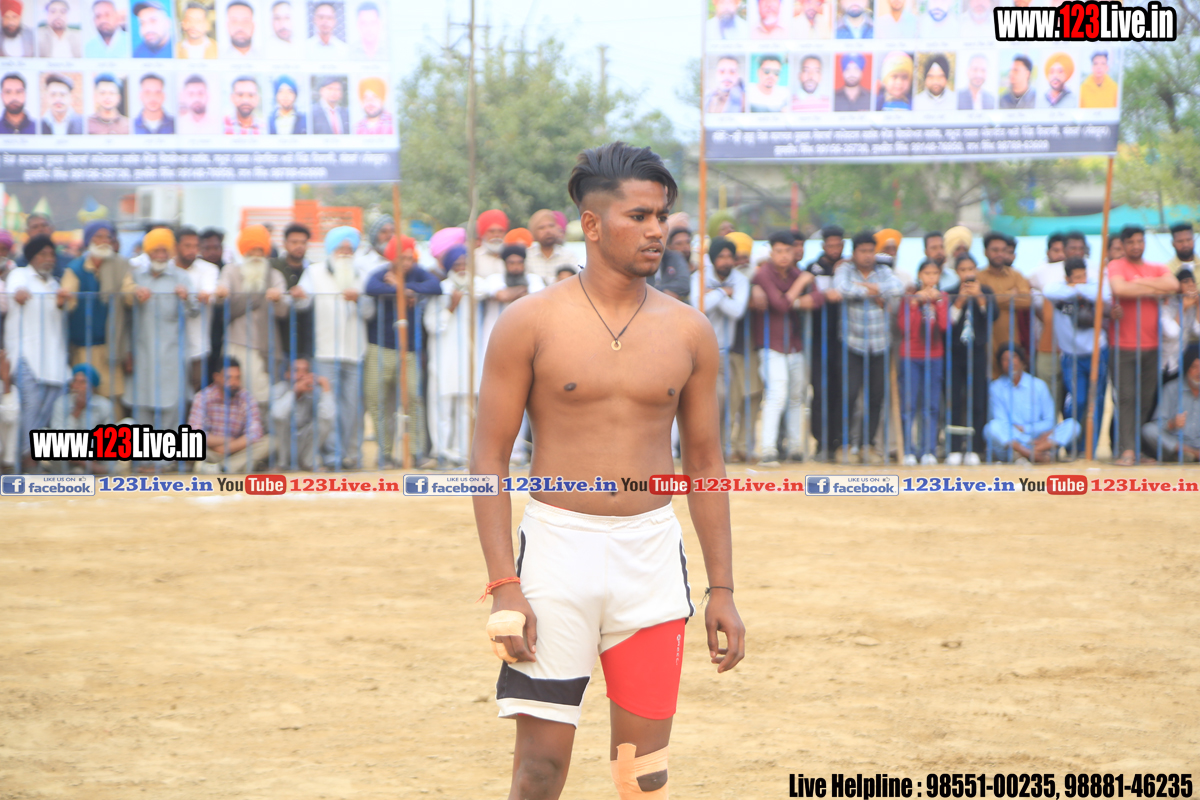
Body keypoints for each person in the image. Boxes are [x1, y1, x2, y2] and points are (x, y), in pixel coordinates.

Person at [470, 141, 744, 800]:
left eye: (662, 217)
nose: (656, 231)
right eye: (639, 216)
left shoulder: (689, 331)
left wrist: (723, 589)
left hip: (650, 558)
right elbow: (488, 458)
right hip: (555, 554)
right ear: (592, 225)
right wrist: (504, 584)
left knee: (644, 777)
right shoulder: (529, 322)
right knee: (539, 771)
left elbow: (705, 463)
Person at [293, 225, 371, 470]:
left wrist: (359, 300)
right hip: (325, 350)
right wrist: (298, 295)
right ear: (331, 249)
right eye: (341, 248)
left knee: (352, 407)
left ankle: (349, 453)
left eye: (350, 248)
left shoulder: (362, 274)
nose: (346, 252)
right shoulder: (314, 272)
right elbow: (302, 305)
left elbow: (370, 312)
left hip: (354, 351)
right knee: (328, 405)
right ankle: (332, 455)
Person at [362, 236, 441, 467]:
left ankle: (417, 453)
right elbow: (370, 288)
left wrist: (402, 288)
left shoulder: (418, 273)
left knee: (413, 399)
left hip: (410, 349)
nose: (407, 262)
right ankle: (385, 454)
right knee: (378, 400)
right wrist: (400, 291)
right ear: (391, 257)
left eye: (409, 258)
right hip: (380, 347)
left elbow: (435, 286)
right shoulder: (380, 273)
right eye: (402, 258)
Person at [1107, 225, 1179, 464]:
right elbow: (1119, 288)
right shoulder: (1116, 265)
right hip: (1122, 345)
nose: (1136, 246)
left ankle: (1137, 448)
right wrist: (1153, 287)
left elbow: (1173, 285)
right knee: (1126, 397)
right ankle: (1126, 449)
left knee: (1146, 399)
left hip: (1152, 344)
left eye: (1140, 241)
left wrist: (1137, 284)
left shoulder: (1157, 267)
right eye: (1131, 242)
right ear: (1123, 244)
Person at [834, 231, 905, 464]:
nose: (867, 255)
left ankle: (868, 445)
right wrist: (873, 291)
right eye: (862, 251)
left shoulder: (883, 270)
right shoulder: (845, 269)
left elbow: (897, 288)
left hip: (880, 344)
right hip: (852, 343)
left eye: (870, 251)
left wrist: (863, 288)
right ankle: (844, 444)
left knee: (876, 397)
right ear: (854, 252)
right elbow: (842, 288)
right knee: (849, 395)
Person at [122, 227, 199, 428]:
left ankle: (168, 447)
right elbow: (126, 314)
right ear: (148, 253)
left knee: (171, 404)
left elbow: (195, 310)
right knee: (142, 404)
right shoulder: (137, 277)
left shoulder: (181, 277)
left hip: (171, 354)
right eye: (156, 251)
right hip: (142, 352)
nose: (160, 255)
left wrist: (186, 297)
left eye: (164, 251)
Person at [5, 235, 70, 471]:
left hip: (53, 356)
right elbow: (15, 293)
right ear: (32, 256)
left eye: (51, 254)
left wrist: (61, 303)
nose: (48, 259)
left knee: (48, 406)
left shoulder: (54, 284)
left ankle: (29, 452)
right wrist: (19, 295)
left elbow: (58, 314)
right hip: (26, 353)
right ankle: (25, 457)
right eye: (43, 254)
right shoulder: (19, 275)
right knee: (30, 404)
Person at [751, 232, 814, 465]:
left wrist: (794, 298)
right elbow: (779, 305)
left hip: (794, 345)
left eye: (788, 250)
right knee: (777, 394)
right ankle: (767, 449)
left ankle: (796, 448)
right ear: (771, 252)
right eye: (779, 251)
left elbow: (817, 298)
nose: (784, 255)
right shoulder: (764, 273)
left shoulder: (795, 273)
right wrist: (800, 287)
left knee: (797, 396)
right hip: (771, 344)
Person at [214, 224, 288, 417]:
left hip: (264, 345)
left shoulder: (274, 276)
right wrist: (221, 293)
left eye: (260, 250)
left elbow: (283, 311)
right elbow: (220, 295)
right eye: (251, 250)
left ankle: (258, 433)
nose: (256, 255)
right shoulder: (231, 271)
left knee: (261, 397)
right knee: (233, 394)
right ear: (244, 251)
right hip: (236, 342)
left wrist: (277, 298)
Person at [1043, 257, 1109, 454]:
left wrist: (1078, 288)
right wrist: (1079, 290)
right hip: (1071, 357)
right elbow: (1048, 291)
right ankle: (1072, 447)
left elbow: (1105, 293)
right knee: (1077, 401)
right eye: (1076, 277)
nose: (1081, 280)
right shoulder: (1058, 289)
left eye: (1083, 276)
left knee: (1096, 401)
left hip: (1097, 353)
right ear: (1067, 278)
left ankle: (1090, 449)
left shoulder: (1094, 285)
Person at [60, 220, 130, 405]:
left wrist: (137, 292)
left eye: (108, 237)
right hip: (83, 346)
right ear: (89, 240)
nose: (104, 241)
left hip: (111, 346)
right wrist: (63, 299)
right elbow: (68, 301)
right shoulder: (76, 268)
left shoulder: (120, 266)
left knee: (112, 399)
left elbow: (129, 292)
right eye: (99, 236)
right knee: (83, 397)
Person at [692, 237, 750, 454]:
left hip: (723, 351)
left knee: (723, 399)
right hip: (699, 350)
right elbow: (698, 307)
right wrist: (723, 292)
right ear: (713, 258)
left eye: (729, 257)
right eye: (721, 256)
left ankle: (718, 447)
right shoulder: (699, 277)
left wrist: (714, 295)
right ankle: (697, 446)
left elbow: (737, 311)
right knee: (698, 401)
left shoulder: (740, 280)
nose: (726, 261)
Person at [423, 245, 478, 466]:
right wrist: (450, 307)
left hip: (468, 357)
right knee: (442, 406)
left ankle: (462, 453)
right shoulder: (441, 290)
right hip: (443, 357)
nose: (462, 268)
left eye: (465, 264)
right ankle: (441, 452)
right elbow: (431, 325)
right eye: (457, 265)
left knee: (465, 408)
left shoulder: (476, 288)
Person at [985, 343, 1080, 463]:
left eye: (1014, 357)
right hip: (1014, 440)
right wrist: (1024, 438)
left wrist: (1026, 430)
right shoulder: (995, 388)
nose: (1010, 362)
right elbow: (1001, 422)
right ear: (1000, 364)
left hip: (1041, 439)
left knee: (1073, 425)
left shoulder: (1038, 385)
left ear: (1022, 361)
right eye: (1005, 359)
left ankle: (1029, 453)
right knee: (991, 427)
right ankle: (1033, 454)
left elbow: (1050, 421)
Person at [899, 259, 948, 465]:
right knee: (909, 405)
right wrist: (914, 304)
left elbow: (944, 326)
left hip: (934, 356)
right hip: (911, 356)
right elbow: (904, 327)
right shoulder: (910, 296)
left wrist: (939, 303)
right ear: (920, 275)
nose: (931, 278)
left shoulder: (943, 297)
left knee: (931, 405)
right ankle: (908, 450)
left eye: (934, 274)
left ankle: (928, 449)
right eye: (927, 273)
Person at [803, 226, 847, 461]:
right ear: (823, 246)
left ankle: (837, 441)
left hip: (843, 339)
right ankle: (821, 442)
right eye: (830, 245)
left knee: (840, 391)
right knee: (820, 391)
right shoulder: (813, 268)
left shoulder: (848, 267)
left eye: (838, 245)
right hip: (818, 338)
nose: (834, 249)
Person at [946, 255, 992, 464]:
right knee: (955, 400)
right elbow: (947, 322)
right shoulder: (950, 291)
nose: (967, 274)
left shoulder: (986, 291)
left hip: (978, 352)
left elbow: (993, 316)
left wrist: (980, 298)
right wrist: (959, 301)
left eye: (971, 269)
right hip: (955, 354)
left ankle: (974, 448)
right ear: (957, 272)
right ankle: (955, 448)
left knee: (978, 400)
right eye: (963, 270)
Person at [190, 357, 269, 473]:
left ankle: (220, 468)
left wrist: (227, 448)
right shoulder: (203, 397)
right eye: (229, 378)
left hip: (237, 450)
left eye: (237, 378)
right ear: (217, 377)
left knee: (270, 442)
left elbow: (255, 432)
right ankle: (238, 467)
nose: (234, 382)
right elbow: (195, 433)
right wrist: (226, 440)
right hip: (211, 451)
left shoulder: (246, 397)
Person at [975, 232, 1031, 378]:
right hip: (987, 340)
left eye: (1003, 250)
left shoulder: (1016, 275)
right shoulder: (978, 276)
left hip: (1012, 337)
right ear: (985, 252)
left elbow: (1027, 301)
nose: (999, 254)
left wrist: (992, 298)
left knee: (1013, 378)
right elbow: (979, 302)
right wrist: (1010, 294)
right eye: (995, 250)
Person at [171, 226, 219, 394]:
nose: (192, 250)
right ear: (176, 247)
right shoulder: (167, 269)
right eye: (187, 246)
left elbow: (208, 295)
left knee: (196, 389)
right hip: (169, 344)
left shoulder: (208, 269)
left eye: (196, 246)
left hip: (197, 344)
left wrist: (190, 296)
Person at [269, 358, 334, 470]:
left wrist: (325, 386)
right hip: (280, 444)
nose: (301, 375)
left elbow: (328, 418)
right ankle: (281, 464)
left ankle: (308, 463)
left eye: (305, 371)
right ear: (287, 374)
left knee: (323, 423)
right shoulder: (278, 389)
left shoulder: (313, 392)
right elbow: (277, 415)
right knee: (280, 422)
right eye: (296, 370)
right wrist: (295, 391)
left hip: (302, 442)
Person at [48, 365, 113, 471]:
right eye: (75, 381)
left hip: (96, 454)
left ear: (92, 387)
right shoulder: (61, 403)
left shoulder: (103, 405)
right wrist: (77, 410)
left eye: (83, 382)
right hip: (69, 455)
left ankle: (103, 469)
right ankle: (83, 466)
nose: (77, 386)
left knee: (129, 424)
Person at [1143, 345, 1200, 462]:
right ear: (1187, 367)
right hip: (1177, 442)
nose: (1198, 372)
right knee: (1148, 430)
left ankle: (1183, 456)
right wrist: (1172, 424)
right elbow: (1157, 424)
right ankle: (1191, 453)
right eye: (1194, 367)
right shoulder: (1171, 388)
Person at [274, 222, 313, 358]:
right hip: (279, 339)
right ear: (285, 244)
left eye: (303, 242)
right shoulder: (274, 267)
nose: (299, 246)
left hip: (306, 340)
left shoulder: (313, 269)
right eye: (294, 242)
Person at [524, 209, 574, 283]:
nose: (548, 231)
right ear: (533, 233)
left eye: (551, 226)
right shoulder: (527, 257)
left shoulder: (568, 256)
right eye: (541, 228)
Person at [472, 208, 508, 280]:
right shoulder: (474, 258)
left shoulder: (511, 257)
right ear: (483, 234)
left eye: (500, 231)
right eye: (492, 231)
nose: (496, 235)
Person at [0, 350, 19, 474]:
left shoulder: (10, 389)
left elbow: (10, 416)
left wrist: (6, 380)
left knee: (12, 414)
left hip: (4, 459)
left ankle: (8, 466)